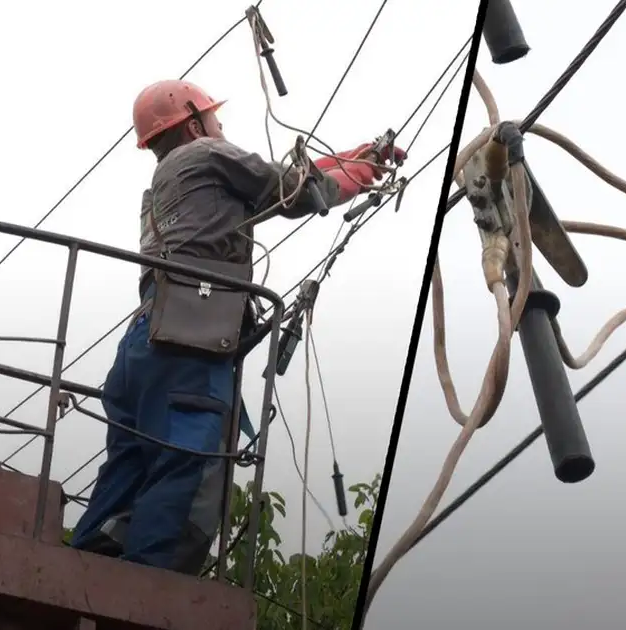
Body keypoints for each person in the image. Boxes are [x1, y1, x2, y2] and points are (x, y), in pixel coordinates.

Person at [69, 79, 405, 574]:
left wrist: (346, 158)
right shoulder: (208, 154)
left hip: (143, 348)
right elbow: (298, 192)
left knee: (129, 468)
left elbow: (273, 187)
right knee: (193, 463)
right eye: (214, 117)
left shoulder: (167, 183)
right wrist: (354, 173)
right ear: (192, 122)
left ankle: (80, 569)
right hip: (190, 343)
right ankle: (148, 587)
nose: (222, 126)